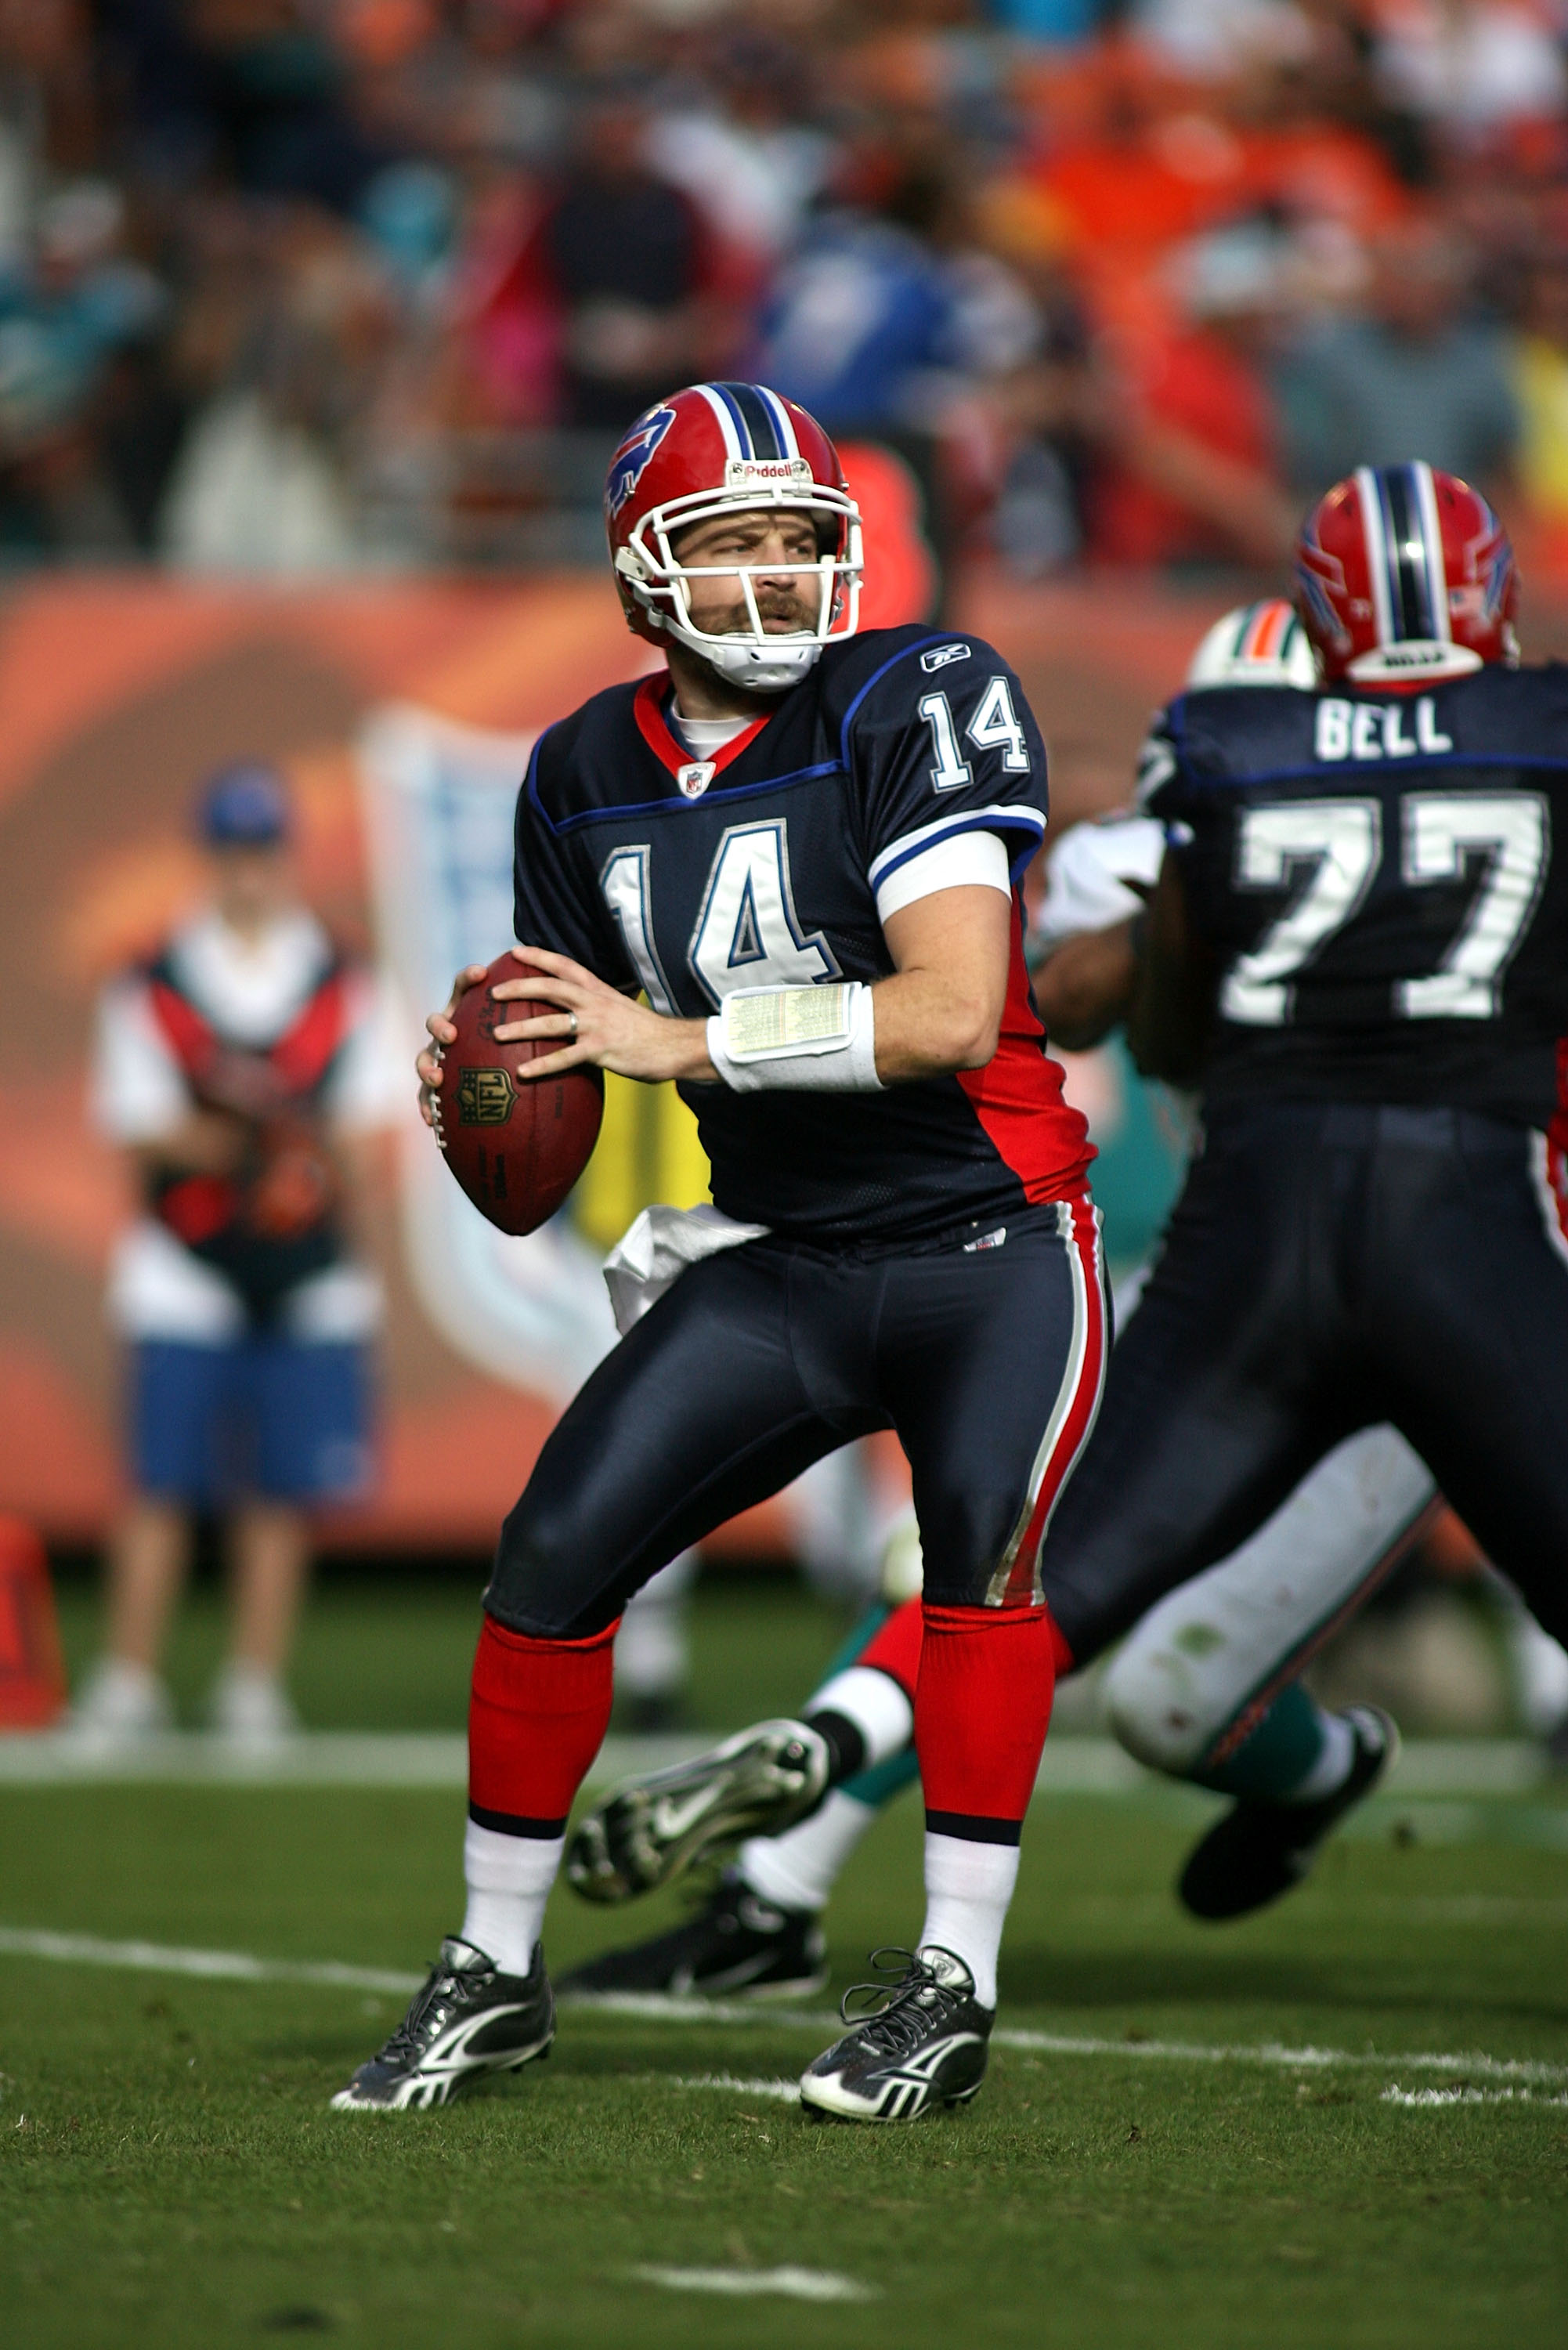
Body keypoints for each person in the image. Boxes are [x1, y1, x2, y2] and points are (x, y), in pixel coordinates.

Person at [566, 501, 1568, 1969]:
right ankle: (782, 1881)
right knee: (1081, 1632)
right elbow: (1098, 990)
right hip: (1412, 1254)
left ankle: (806, 1811)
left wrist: (1177, 888)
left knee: (1092, 1632)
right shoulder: (1525, 733)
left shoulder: (1229, 753)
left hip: (1323, 1256)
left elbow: (1105, 1007)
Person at [332, 380, 1103, 2122]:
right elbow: (553, 1067)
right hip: (787, 1248)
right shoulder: (579, 770)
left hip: (986, 1235)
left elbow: (949, 1009)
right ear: (639, 569)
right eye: (728, 542)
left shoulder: (920, 691)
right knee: (553, 1552)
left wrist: (668, 1045)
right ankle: (492, 1968)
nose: (771, 577)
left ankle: (950, 1981)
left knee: (977, 1575)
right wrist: (491, 1102)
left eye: (796, 539)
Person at [73, 765, 394, 1749]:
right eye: (232, 851)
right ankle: (128, 1681)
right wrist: (251, 1145)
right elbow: (138, 1130)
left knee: (280, 1492)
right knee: (160, 1485)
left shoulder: (345, 981)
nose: (249, 871)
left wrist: (290, 1166)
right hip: (186, 1261)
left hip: (306, 1267)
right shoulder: (155, 978)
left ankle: (253, 1682)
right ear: (210, 858)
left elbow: (364, 1137)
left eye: (263, 850)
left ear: (287, 858)